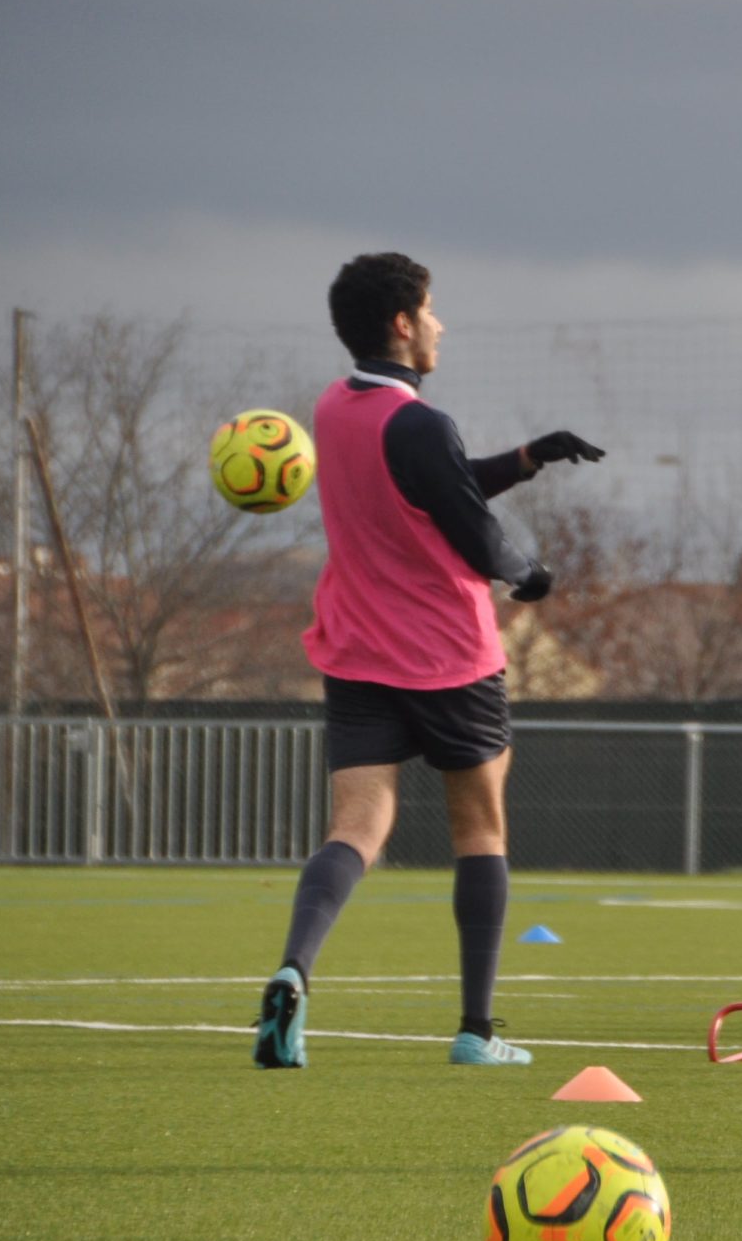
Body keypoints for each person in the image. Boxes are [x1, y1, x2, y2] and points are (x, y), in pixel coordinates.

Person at [252, 251, 604, 1070]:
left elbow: (436, 487)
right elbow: (468, 528)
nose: (441, 324)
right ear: (402, 324)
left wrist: (527, 456)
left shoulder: (335, 410)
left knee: (357, 828)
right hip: (449, 659)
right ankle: (478, 1033)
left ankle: (293, 970)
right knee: (479, 829)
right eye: (432, 310)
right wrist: (529, 573)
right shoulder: (421, 423)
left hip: (357, 652)